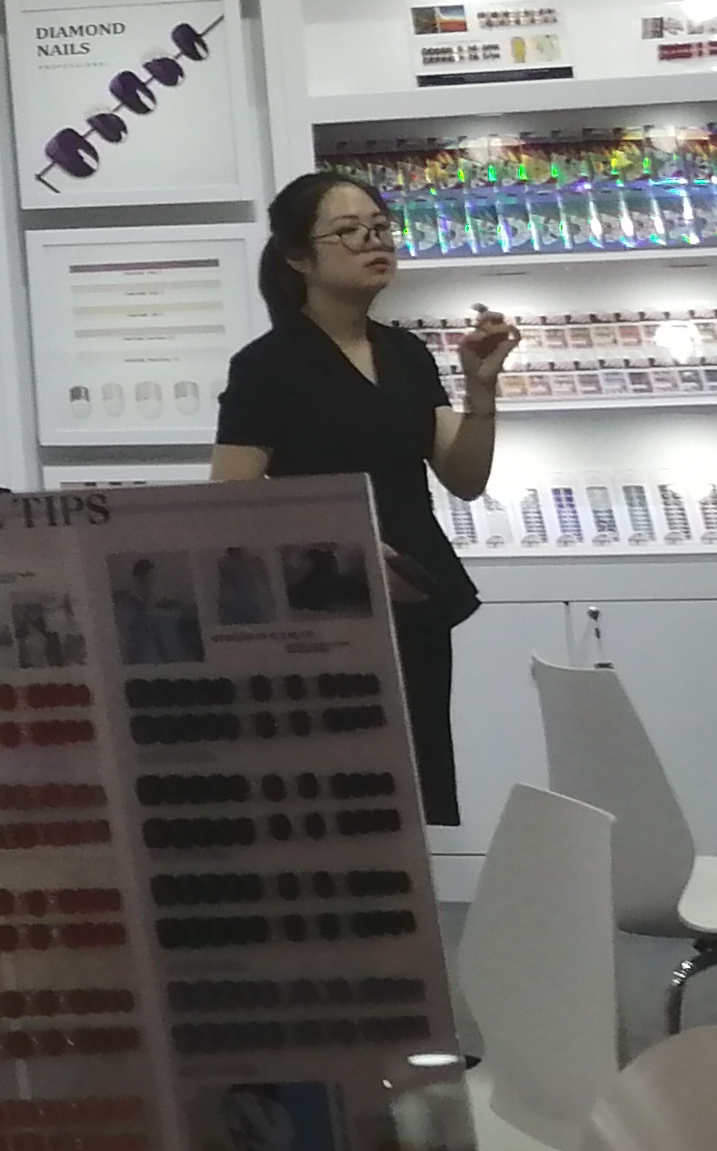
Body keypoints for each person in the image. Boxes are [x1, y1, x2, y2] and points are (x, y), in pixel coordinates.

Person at [208, 170, 514, 822]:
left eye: (379, 228)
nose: (375, 242)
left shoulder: (405, 352)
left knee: (420, 788)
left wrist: (481, 391)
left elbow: (465, 479)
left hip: (415, 598)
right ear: (299, 258)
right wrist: (341, 550)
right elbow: (228, 506)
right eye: (348, 232)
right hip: (324, 615)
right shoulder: (266, 366)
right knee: (348, 798)